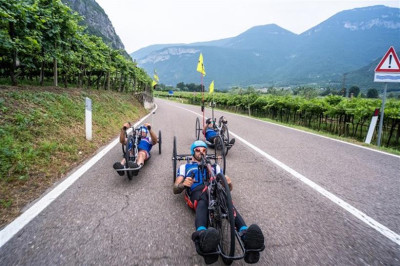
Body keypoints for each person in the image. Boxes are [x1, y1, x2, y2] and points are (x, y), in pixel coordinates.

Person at [173, 140, 264, 264]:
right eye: (198, 150)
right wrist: (183, 184)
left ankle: (245, 234)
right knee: (203, 199)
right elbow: (175, 188)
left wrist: (229, 183)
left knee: (227, 201)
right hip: (197, 192)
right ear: (192, 152)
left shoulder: (214, 167)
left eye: (204, 150)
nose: (202, 152)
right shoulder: (185, 167)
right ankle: (202, 235)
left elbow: (228, 189)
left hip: (215, 189)